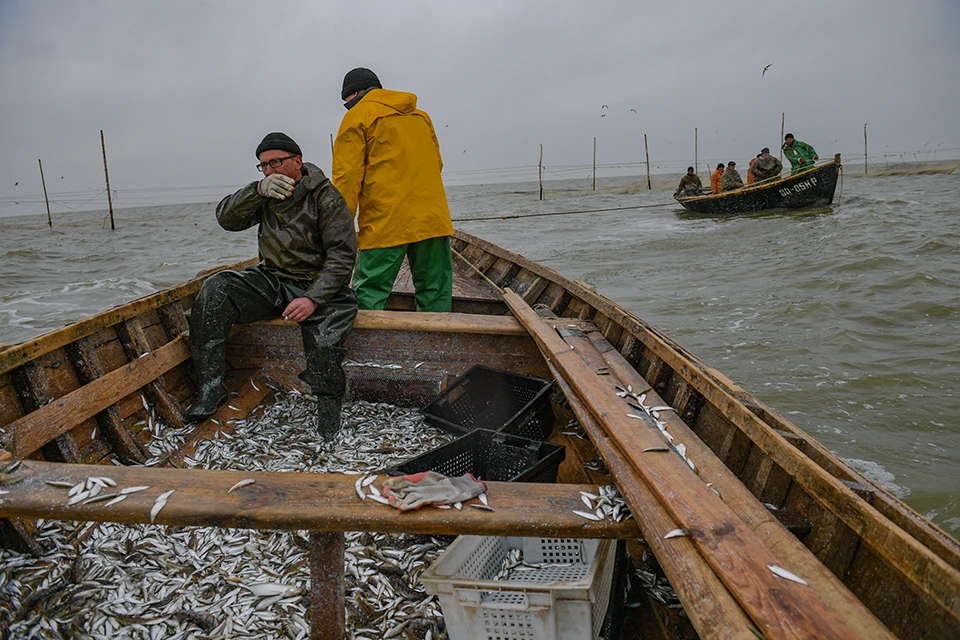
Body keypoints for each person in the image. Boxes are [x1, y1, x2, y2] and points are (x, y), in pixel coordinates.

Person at [187, 132, 359, 441]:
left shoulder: (326, 197)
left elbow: (342, 256)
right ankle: (211, 389)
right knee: (216, 288)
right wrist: (256, 191)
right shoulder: (264, 193)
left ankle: (329, 410)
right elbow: (226, 218)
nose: (269, 170)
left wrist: (313, 299)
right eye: (263, 166)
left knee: (324, 340)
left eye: (275, 162)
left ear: (297, 161)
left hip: (320, 285)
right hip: (273, 280)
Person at [333, 67, 455, 312]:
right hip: (433, 219)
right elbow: (437, 163)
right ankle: (437, 344)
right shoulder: (421, 116)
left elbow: (346, 179)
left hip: (385, 221)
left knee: (370, 292)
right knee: (435, 290)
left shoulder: (357, 116)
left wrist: (338, 226)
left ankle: (365, 346)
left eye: (346, 100)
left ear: (354, 94)